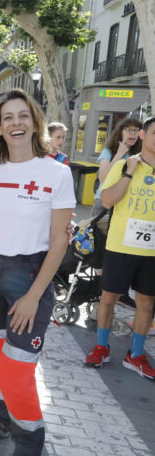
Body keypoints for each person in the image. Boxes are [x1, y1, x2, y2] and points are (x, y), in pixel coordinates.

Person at [0, 89, 75, 456]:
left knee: (17, 370)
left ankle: (29, 445)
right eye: (7, 117)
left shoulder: (57, 172)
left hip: (29, 274)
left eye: (23, 115)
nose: (15, 122)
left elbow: (60, 241)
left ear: (35, 122)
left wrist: (33, 296)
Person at [83, 116, 155, 380]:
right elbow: (108, 200)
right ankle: (101, 347)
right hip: (120, 246)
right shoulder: (126, 164)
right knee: (109, 299)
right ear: (144, 136)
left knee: (146, 304)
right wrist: (128, 173)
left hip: (151, 252)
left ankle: (135, 355)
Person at [92, 117, 142, 217]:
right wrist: (119, 154)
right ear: (120, 133)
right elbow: (102, 177)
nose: (133, 133)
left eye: (136, 130)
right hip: (104, 202)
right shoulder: (109, 151)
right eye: (128, 130)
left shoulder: (141, 154)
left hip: (129, 202)